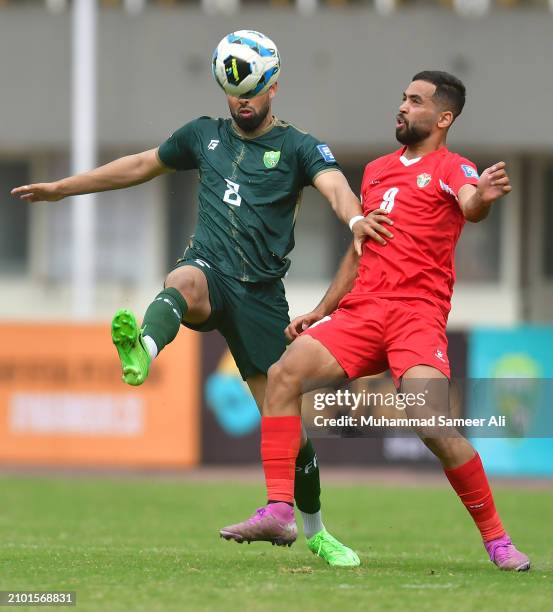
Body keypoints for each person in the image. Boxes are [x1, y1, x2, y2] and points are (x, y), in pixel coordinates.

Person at [11, 41, 389, 567]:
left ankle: (316, 531)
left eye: (252, 92)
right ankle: (143, 346)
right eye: (233, 94)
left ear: (273, 86)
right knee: (182, 280)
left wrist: (353, 221)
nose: (242, 103)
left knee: (291, 432)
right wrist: (64, 189)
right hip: (209, 273)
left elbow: (335, 187)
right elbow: (140, 164)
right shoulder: (202, 136)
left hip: (260, 296)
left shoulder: (300, 147)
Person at [222, 70, 530, 572]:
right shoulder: (378, 171)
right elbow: (360, 248)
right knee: (283, 376)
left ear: (443, 117)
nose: (403, 106)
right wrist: (323, 309)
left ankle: (497, 540)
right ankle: (280, 510)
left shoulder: (454, 166)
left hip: (416, 317)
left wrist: (482, 199)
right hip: (361, 312)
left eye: (416, 100)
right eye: (403, 98)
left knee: (432, 422)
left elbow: (470, 203)